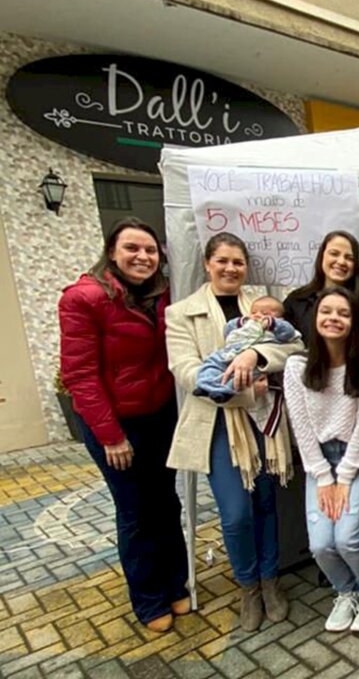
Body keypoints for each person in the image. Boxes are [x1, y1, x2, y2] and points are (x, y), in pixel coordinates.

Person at [166, 233, 304, 632]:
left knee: (266, 505)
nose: (230, 269)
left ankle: (269, 580)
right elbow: (186, 371)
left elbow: (294, 348)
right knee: (236, 514)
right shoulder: (181, 313)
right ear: (208, 264)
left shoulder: (262, 308)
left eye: (237, 262)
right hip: (219, 424)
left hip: (264, 424)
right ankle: (247, 587)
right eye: (222, 261)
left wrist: (254, 354)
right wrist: (239, 388)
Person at [58, 218, 190, 633]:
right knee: (135, 512)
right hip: (117, 425)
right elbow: (80, 375)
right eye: (132, 248)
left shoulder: (163, 296)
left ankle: (175, 583)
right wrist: (110, 435)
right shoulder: (85, 298)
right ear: (112, 253)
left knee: (167, 503)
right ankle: (149, 599)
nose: (142, 257)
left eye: (150, 250)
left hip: (160, 415)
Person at [283, 289, 359, 633]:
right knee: (320, 545)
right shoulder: (297, 366)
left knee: (347, 538)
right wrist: (324, 478)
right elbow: (300, 427)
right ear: (315, 320)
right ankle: (346, 592)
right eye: (326, 311)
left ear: (354, 321)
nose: (333, 318)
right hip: (319, 462)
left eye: (342, 313)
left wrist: (344, 477)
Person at [192, 296, 299, 438]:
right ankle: (206, 384)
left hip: (255, 367)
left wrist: (256, 352)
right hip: (230, 353)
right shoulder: (247, 323)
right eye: (254, 312)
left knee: (241, 375)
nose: (258, 315)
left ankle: (224, 391)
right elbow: (228, 331)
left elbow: (292, 340)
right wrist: (242, 321)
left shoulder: (278, 326)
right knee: (211, 362)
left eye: (266, 313)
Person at [284, 230, 359, 343]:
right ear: (322, 256)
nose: (341, 261)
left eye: (349, 258)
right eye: (334, 253)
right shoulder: (296, 302)